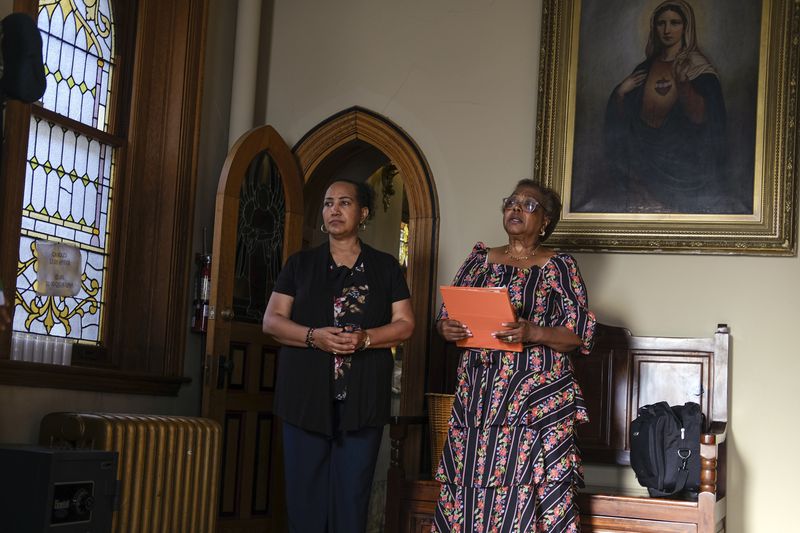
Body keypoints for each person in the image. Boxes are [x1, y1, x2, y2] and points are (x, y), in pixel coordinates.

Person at [432, 179, 596, 533]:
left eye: (529, 204)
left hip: (538, 403)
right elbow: (447, 316)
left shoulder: (559, 267)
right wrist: (446, 328)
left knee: (539, 491)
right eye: (511, 202)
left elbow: (578, 335)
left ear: (546, 222)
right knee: (474, 487)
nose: (516, 209)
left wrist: (533, 332)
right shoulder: (478, 261)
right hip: (480, 400)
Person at [262, 178, 415, 533]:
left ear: (363, 213)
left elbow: (405, 324)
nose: (334, 209)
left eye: (344, 203)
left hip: (361, 401)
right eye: (329, 203)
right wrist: (315, 337)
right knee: (305, 504)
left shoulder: (386, 266)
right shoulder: (299, 264)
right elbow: (272, 321)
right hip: (304, 399)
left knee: (351, 501)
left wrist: (365, 339)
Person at [604, 0, 727, 213]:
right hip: (643, 161)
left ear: (686, 27)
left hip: (682, 164)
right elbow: (625, 123)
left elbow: (704, 119)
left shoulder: (698, 69)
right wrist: (620, 94)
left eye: (675, 22)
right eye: (661, 23)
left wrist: (683, 84)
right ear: (654, 27)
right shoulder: (644, 68)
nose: (667, 30)